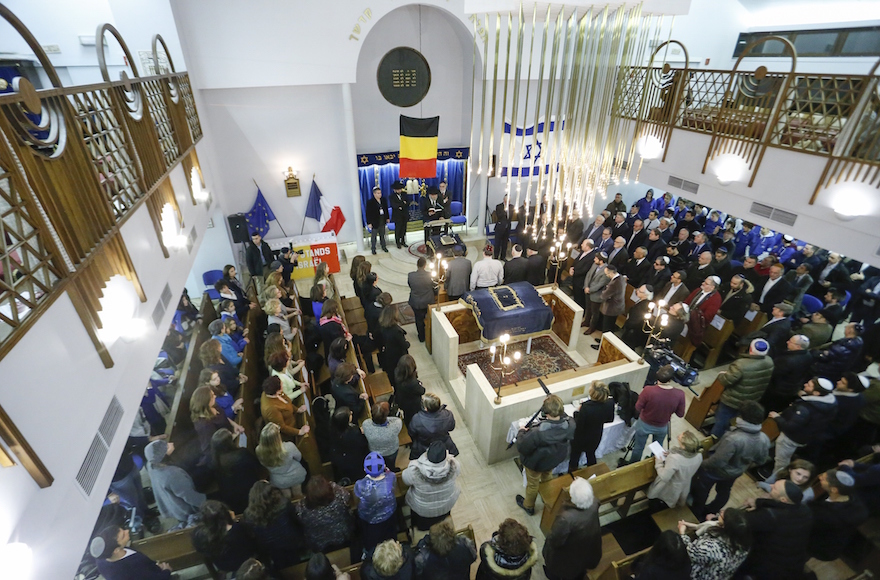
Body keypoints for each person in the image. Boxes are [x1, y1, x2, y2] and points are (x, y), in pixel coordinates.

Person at [689, 401, 770, 519]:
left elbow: (718, 461)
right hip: (736, 472)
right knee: (724, 491)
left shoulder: (733, 439)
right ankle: (712, 509)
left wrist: (701, 464)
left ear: (742, 418)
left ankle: (697, 512)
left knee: (701, 491)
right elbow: (761, 460)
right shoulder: (764, 439)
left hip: (714, 472)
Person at [738, 480, 812, 580]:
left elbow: (741, 523)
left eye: (774, 488)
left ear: (783, 499)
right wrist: (758, 502)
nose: (771, 485)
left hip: (765, 566)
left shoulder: (770, 516)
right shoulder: (804, 510)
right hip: (792, 562)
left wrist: (724, 515)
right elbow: (776, 505)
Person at [514, 395, 575, 516]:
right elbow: (565, 418)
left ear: (545, 413)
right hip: (554, 458)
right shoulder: (570, 424)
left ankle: (529, 506)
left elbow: (522, 446)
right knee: (547, 475)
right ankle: (547, 495)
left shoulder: (538, 433)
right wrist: (553, 403)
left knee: (533, 484)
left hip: (537, 462)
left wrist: (521, 431)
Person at [768, 377, 838, 476]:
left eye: (809, 385)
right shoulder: (831, 403)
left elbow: (790, 427)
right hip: (805, 437)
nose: (805, 384)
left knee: (781, 461)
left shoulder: (806, 408)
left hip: (790, 438)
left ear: (816, 393)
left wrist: (777, 417)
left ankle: (776, 479)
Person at [710, 338, 774, 438]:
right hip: (750, 400)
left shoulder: (741, 364)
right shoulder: (770, 362)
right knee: (735, 421)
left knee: (721, 421)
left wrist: (721, 375)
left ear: (751, 350)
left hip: (732, 400)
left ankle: (713, 441)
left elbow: (726, 381)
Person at [542, 477, 602, 580]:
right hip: (589, 546)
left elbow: (555, 540)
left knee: (559, 566)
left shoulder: (566, 518)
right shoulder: (594, 503)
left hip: (568, 557)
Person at [241, 481, 306, 570]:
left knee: (278, 561)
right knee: (294, 559)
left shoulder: (249, 515)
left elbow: (252, 533)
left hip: (269, 545)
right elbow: (295, 520)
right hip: (289, 539)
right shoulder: (284, 504)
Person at [628, 365, 685, 465]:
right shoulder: (680, 394)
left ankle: (634, 465)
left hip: (644, 423)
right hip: (662, 426)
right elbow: (680, 414)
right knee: (657, 448)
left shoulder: (648, 390)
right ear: (671, 379)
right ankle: (654, 464)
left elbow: (637, 407)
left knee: (638, 447)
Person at [807, 469, 869, 561]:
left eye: (824, 479)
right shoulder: (854, 502)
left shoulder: (827, 514)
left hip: (817, 545)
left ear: (834, 489)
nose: (819, 477)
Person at [144, 440, 206, 529]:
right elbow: (190, 496)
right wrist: (205, 504)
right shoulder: (172, 475)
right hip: (185, 510)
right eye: (167, 446)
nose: (171, 443)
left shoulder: (151, 464)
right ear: (163, 456)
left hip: (173, 506)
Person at [677, 508, 751, 580]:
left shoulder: (712, 548)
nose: (721, 512)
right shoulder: (744, 545)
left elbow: (690, 552)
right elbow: (712, 526)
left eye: (721, 516)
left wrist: (682, 533)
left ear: (725, 526)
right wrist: (694, 526)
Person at [403, 440, 461, 531]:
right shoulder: (454, 465)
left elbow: (405, 480)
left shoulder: (415, 470)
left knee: (422, 526)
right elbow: (458, 473)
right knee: (441, 521)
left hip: (422, 510)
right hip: (445, 506)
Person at [191, 500, 258, 574]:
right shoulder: (237, 528)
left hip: (223, 564)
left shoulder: (199, 534)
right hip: (244, 560)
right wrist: (235, 521)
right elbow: (251, 541)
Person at [295, 475, 355, 553]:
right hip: (341, 534)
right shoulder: (340, 497)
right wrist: (332, 484)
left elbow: (299, 517)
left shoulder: (301, 507)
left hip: (318, 541)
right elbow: (347, 494)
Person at [90, 525, 173, 580]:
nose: (127, 531)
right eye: (123, 536)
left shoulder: (101, 561)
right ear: (116, 550)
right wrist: (166, 571)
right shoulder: (132, 567)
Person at [210, 429, 262, 514]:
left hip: (231, 498)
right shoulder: (241, 454)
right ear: (229, 443)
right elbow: (256, 465)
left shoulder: (214, 460)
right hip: (249, 491)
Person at [354, 452, 399, 552]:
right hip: (388, 514)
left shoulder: (361, 485)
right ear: (383, 466)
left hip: (369, 518)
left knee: (371, 539)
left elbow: (357, 497)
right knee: (389, 534)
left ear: (365, 469)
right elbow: (394, 487)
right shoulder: (391, 477)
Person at [646, 431, 703, 508]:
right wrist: (670, 453)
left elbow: (664, 477)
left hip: (669, 488)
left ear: (684, 446)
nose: (678, 436)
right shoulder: (698, 455)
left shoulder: (675, 459)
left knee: (658, 504)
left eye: (679, 438)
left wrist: (658, 462)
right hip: (684, 484)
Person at [568, 382, 615, 471]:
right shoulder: (609, 403)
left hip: (581, 438)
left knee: (575, 456)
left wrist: (576, 413)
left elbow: (579, 425)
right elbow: (610, 419)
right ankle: (593, 472)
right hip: (595, 435)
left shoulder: (586, 407)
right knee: (591, 454)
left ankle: (572, 473)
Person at [761, 334, 812, 412]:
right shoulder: (807, 355)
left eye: (791, 342)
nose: (787, 342)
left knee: (765, 407)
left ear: (798, 347)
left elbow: (774, 373)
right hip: (790, 390)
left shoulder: (787, 361)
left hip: (776, 390)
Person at [256, 422, 307, 497]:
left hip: (278, 480)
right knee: (298, 494)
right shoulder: (288, 447)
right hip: (295, 475)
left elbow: (263, 464)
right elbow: (299, 457)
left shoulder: (258, 451)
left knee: (286, 496)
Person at [409, 393, 459, 459]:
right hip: (444, 445)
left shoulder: (417, 418)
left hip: (423, 447)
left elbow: (411, 433)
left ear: (426, 408)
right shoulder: (448, 414)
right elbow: (451, 428)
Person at [329, 405, 370, 482]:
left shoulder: (333, 428)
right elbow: (362, 444)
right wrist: (360, 433)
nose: (351, 412)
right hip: (353, 459)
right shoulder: (353, 434)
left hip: (341, 457)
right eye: (349, 414)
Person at [261, 376, 310, 440]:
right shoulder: (271, 409)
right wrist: (300, 432)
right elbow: (282, 427)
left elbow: (287, 402)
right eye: (282, 384)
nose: (283, 384)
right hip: (288, 433)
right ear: (277, 391)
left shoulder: (272, 392)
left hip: (292, 420)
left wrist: (298, 410)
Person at [363, 402, 403, 469]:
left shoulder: (366, 424)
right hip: (391, 451)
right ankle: (392, 469)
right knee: (391, 465)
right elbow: (396, 419)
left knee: (377, 467)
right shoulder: (395, 425)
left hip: (374, 451)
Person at [582, 251, 610, 335]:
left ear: (601, 261)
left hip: (596, 295)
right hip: (588, 290)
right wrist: (586, 286)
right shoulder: (595, 264)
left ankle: (592, 327)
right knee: (588, 308)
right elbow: (588, 275)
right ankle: (586, 321)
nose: (594, 259)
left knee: (595, 313)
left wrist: (590, 290)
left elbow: (600, 284)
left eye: (596, 259)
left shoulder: (606, 271)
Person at [379, 305, 410, 380]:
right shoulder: (396, 331)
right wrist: (408, 343)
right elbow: (404, 345)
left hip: (389, 352)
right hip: (398, 354)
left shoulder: (383, 326)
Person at [408, 257, 435, 342]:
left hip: (416, 302)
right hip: (428, 301)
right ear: (425, 266)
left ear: (417, 265)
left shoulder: (411, 275)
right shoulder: (430, 275)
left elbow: (410, 286)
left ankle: (421, 337)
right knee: (430, 318)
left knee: (418, 319)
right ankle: (430, 335)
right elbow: (434, 286)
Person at [395, 355, 425, 427]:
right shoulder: (412, 383)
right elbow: (422, 391)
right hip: (413, 405)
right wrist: (419, 383)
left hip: (402, 400)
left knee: (407, 416)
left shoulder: (397, 372)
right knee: (414, 419)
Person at [367, 185, 390, 254]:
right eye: (378, 193)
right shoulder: (370, 202)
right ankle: (373, 248)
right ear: (374, 194)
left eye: (380, 193)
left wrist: (387, 218)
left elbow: (386, 209)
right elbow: (368, 213)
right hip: (374, 221)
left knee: (382, 235)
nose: (379, 194)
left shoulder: (383, 200)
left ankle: (383, 246)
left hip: (382, 220)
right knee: (374, 236)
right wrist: (369, 223)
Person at [389, 179, 409, 249]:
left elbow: (408, 203)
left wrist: (401, 205)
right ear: (394, 190)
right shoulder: (391, 196)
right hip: (397, 216)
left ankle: (403, 241)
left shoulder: (404, 194)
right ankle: (398, 242)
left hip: (404, 215)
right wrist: (402, 203)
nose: (399, 191)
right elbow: (394, 205)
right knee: (398, 229)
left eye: (400, 189)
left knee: (404, 229)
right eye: (397, 189)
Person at [494, 194, 512, 260]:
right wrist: (504, 210)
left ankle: (503, 257)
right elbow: (499, 216)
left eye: (509, 200)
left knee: (505, 244)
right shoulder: (499, 206)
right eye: (507, 200)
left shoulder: (511, 207)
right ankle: (496, 257)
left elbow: (510, 216)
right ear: (504, 200)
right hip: (499, 228)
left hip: (507, 228)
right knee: (497, 244)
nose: (508, 202)